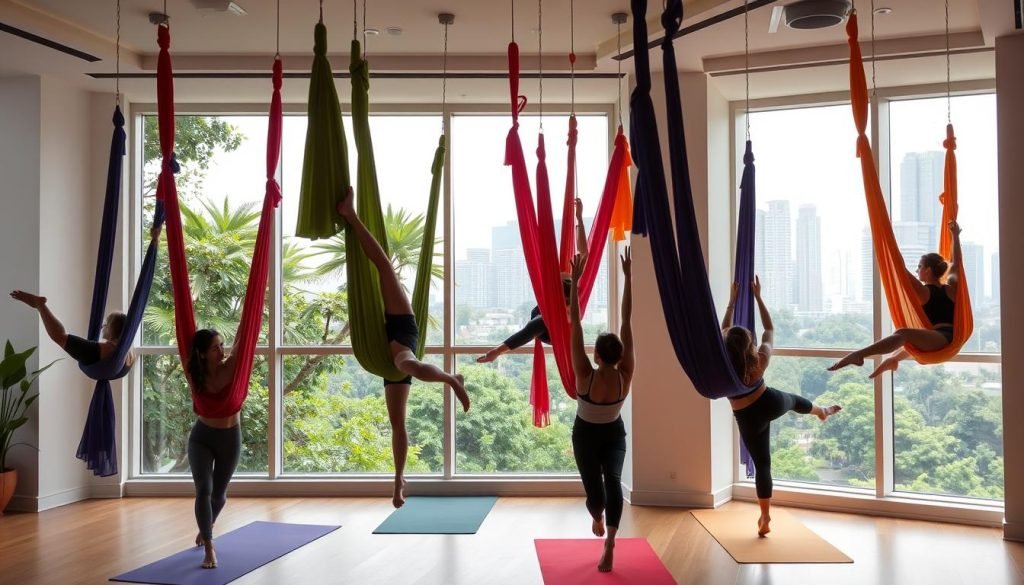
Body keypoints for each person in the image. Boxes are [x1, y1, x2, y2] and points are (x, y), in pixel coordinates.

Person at [337, 187, 469, 508]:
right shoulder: (372, 310)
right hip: (386, 339)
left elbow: (383, 263)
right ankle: (398, 480)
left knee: (405, 363)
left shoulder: (394, 301)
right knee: (398, 422)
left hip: (398, 330)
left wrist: (352, 220)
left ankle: (451, 380)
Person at [722, 276, 841, 537]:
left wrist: (731, 302)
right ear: (749, 345)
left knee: (763, 465)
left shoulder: (723, 367)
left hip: (746, 417)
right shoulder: (759, 359)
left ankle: (765, 516)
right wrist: (758, 298)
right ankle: (821, 411)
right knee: (796, 401)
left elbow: (724, 329)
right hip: (769, 401)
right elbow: (769, 330)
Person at [9, 223, 162, 374]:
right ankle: (40, 305)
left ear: (114, 329)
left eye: (106, 323)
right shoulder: (129, 354)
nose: (103, 326)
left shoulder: (104, 350)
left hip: (96, 357)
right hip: (104, 360)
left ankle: (40, 305)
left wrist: (40, 306)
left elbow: (59, 337)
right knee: (61, 337)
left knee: (60, 337)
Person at [829, 220, 963, 377]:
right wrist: (955, 236)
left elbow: (900, 270)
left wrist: (886, 241)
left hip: (942, 339)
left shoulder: (923, 291)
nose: (917, 270)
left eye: (919, 266)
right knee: (909, 337)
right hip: (946, 337)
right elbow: (955, 263)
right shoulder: (951, 287)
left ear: (927, 270)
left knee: (903, 333)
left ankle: (860, 354)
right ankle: (893, 360)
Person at [568, 248, 633, 573]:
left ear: (595, 355)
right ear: (620, 354)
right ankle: (610, 539)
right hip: (614, 434)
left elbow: (574, 322)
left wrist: (577, 282)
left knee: (595, 492)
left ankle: (598, 518)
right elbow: (627, 320)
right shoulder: (626, 374)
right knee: (615, 482)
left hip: (587, 436)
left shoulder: (585, 374)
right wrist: (628, 278)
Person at [477, 197, 588, 363]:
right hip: (542, 317)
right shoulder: (555, 280)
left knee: (543, 321)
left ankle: (497, 351)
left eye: (567, 302)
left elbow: (584, 252)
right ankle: (497, 351)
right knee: (543, 320)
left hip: (555, 332)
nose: (566, 304)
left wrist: (579, 218)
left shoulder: (574, 280)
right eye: (564, 302)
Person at [185, 328, 242, 569]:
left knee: (219, 496)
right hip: (202, 437)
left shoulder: (232, 367)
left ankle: (206, 527)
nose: (221, 351)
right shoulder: (194, 374)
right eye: (214, 348)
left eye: (221, 345)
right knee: (204, 490)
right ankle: (209, 546)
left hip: (230, 437)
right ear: (201, 354)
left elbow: (243, 337)